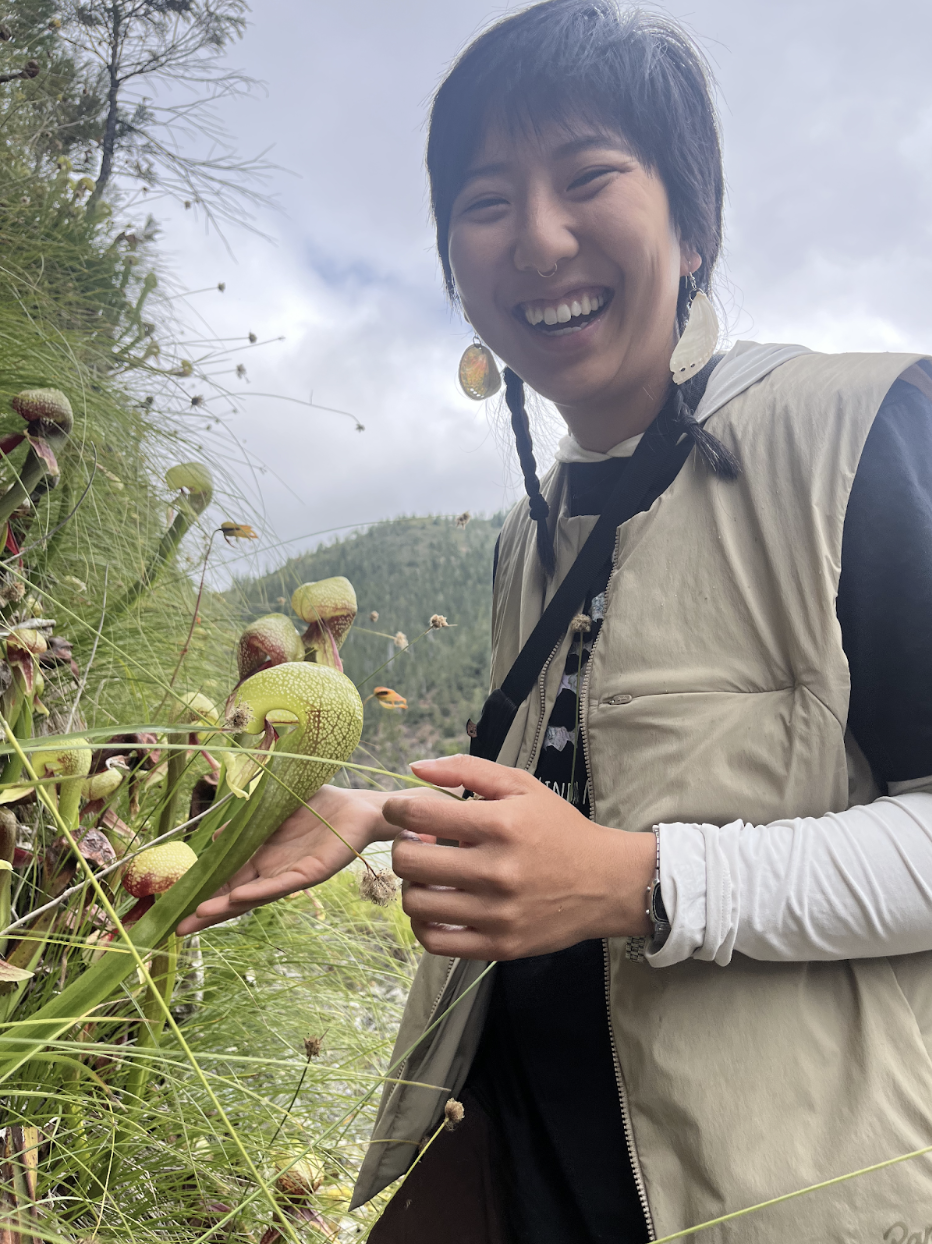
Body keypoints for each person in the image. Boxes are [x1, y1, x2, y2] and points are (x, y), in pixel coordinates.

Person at [179, 2, 932, 1240]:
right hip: (505, 1159)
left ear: (693, 223)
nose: (535, 237)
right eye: (485, 201)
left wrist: (637, 881)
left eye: (587, 178)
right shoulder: (529, 533)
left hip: (770, 1193)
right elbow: (576, 791)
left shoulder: (860, 430)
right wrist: (379, 815)